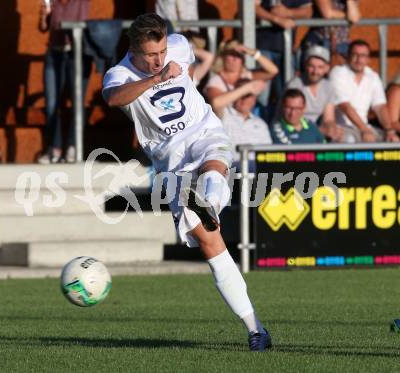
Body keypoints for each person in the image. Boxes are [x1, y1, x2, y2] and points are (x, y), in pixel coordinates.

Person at [102, 13, 271, 352]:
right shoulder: (119, 74)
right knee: (210, 244)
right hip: (171, 161)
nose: (159, 59)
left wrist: (185, 77)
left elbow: (190, 62)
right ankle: (257, 329)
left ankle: (207, 201)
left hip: (205, 133)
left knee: (214, 163)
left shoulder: (178, 47)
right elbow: (113, 98)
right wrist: (157, 79)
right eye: (151, 54)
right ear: (133, 50)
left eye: (162, 51)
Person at [38, 0, 92, 164]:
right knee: (51, 104)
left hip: (77, 53)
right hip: (54, 54)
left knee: (77, 103)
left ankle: (72, 147)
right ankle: (55, 147)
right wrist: (43, 15)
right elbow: (43, 27)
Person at [329, 39, 400, 143]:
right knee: (350, 140)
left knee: (393, 141)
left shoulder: (373, 76)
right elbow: (345, 106)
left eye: (363, 56)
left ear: (368, 59)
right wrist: (364, 130)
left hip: (365, 128)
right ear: (348, 56)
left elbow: (380, 107)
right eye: (355, 55)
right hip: (343, 127)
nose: (359, 59)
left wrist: (390, 131)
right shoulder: (338, 73)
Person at [255, 0, 313, 119]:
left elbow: (308, 11)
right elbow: (252, 7)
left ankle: (282, 129)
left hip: (286, 50)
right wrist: (276, 19)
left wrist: (288, 12)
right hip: (262, 48)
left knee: (287, 93)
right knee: (260, 95)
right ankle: (258, 129)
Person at [286, 45, 343, 141]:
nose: (315, 71)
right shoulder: (294, 85)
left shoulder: (328, 87)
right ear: (305, 66)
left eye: (320, 67)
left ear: (327, 68)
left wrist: (331, 129)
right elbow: (292, 119)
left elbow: (328, 119)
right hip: (292, 131)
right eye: (311, 66)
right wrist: (318, 130)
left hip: (315, 130)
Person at [211, 78, 272, 165]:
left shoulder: (261, 124)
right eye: (241, 94)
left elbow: (268, 153)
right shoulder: (225, 115)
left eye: (248, 95)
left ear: (254, 98)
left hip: (257, 170)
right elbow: (216, 102)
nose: (244, 99)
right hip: (232, 168)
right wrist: (248, 88)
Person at [204, 40, 278, 110]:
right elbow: (216, 103)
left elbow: (273, 71)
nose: (235, 58)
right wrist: (247, 88)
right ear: (223, 57)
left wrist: (252, 53)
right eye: (232, 54)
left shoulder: (246, 75)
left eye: (239, 55)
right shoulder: (216, 80)